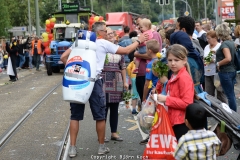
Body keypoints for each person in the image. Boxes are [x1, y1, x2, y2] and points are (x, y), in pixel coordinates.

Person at [60, 21, 147, 157]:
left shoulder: (78, 43)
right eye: (106, 31)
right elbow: (125, 51)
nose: (107, 34)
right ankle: (101, 147)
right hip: (95, 82)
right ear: (100, 32)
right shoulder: (102, 43)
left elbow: (63, 57)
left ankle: (72, 148)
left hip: (79, 81)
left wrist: (77, 72)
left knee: (75, 116)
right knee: (100, 116)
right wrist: (139, 41)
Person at [156, 44, 195, 141]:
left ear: (184, 60)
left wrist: (166, 99)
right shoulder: (175, 75)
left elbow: (187, 103)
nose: (173, 63)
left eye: (176, 60)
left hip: (180, 122)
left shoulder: (183, 78)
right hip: (173, 119)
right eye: (170, 60)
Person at [101, 27, 128, 142]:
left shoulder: (118, 48)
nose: (111, 35)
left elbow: (122, 66)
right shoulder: (100, 47)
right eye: (108, 33)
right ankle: (102, 134)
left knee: (114, 107)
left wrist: (125, 81)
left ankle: (114, 133)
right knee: (103, 108)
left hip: (116, 81)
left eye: (112, 33)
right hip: (103, 79)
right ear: (104, 35)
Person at [215, 23, 237, 111]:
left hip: (226, 72)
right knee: (231, 94)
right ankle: (234, 114)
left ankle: (233, 116)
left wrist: (218, 63)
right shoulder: (231, 42)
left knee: (229, 96)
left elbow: (228, 58)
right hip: (232, 70)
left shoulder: (224, 45)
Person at [203, 31, 227, 103]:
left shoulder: (220, 46)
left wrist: (213, 60)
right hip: (207, 72)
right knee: (209, 93)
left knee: (220, 93)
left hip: (216, 73)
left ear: (215, 38)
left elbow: (223, 59)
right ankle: (212, 110)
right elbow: (204, 58)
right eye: (207, 38)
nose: (207, 40)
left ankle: (223, 110)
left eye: (209, 38)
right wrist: (204, 60)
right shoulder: (207, 46)